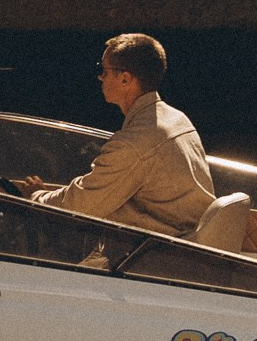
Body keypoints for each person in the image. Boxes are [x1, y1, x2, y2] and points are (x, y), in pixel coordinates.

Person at [11, 33, 217, 237]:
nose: (100, 77)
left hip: (154, 254)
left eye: (103, 70)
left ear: (125, 79)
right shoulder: (178, 119)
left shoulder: (134, 143)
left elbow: (79, 206)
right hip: (183, 242)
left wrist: (34, 197)